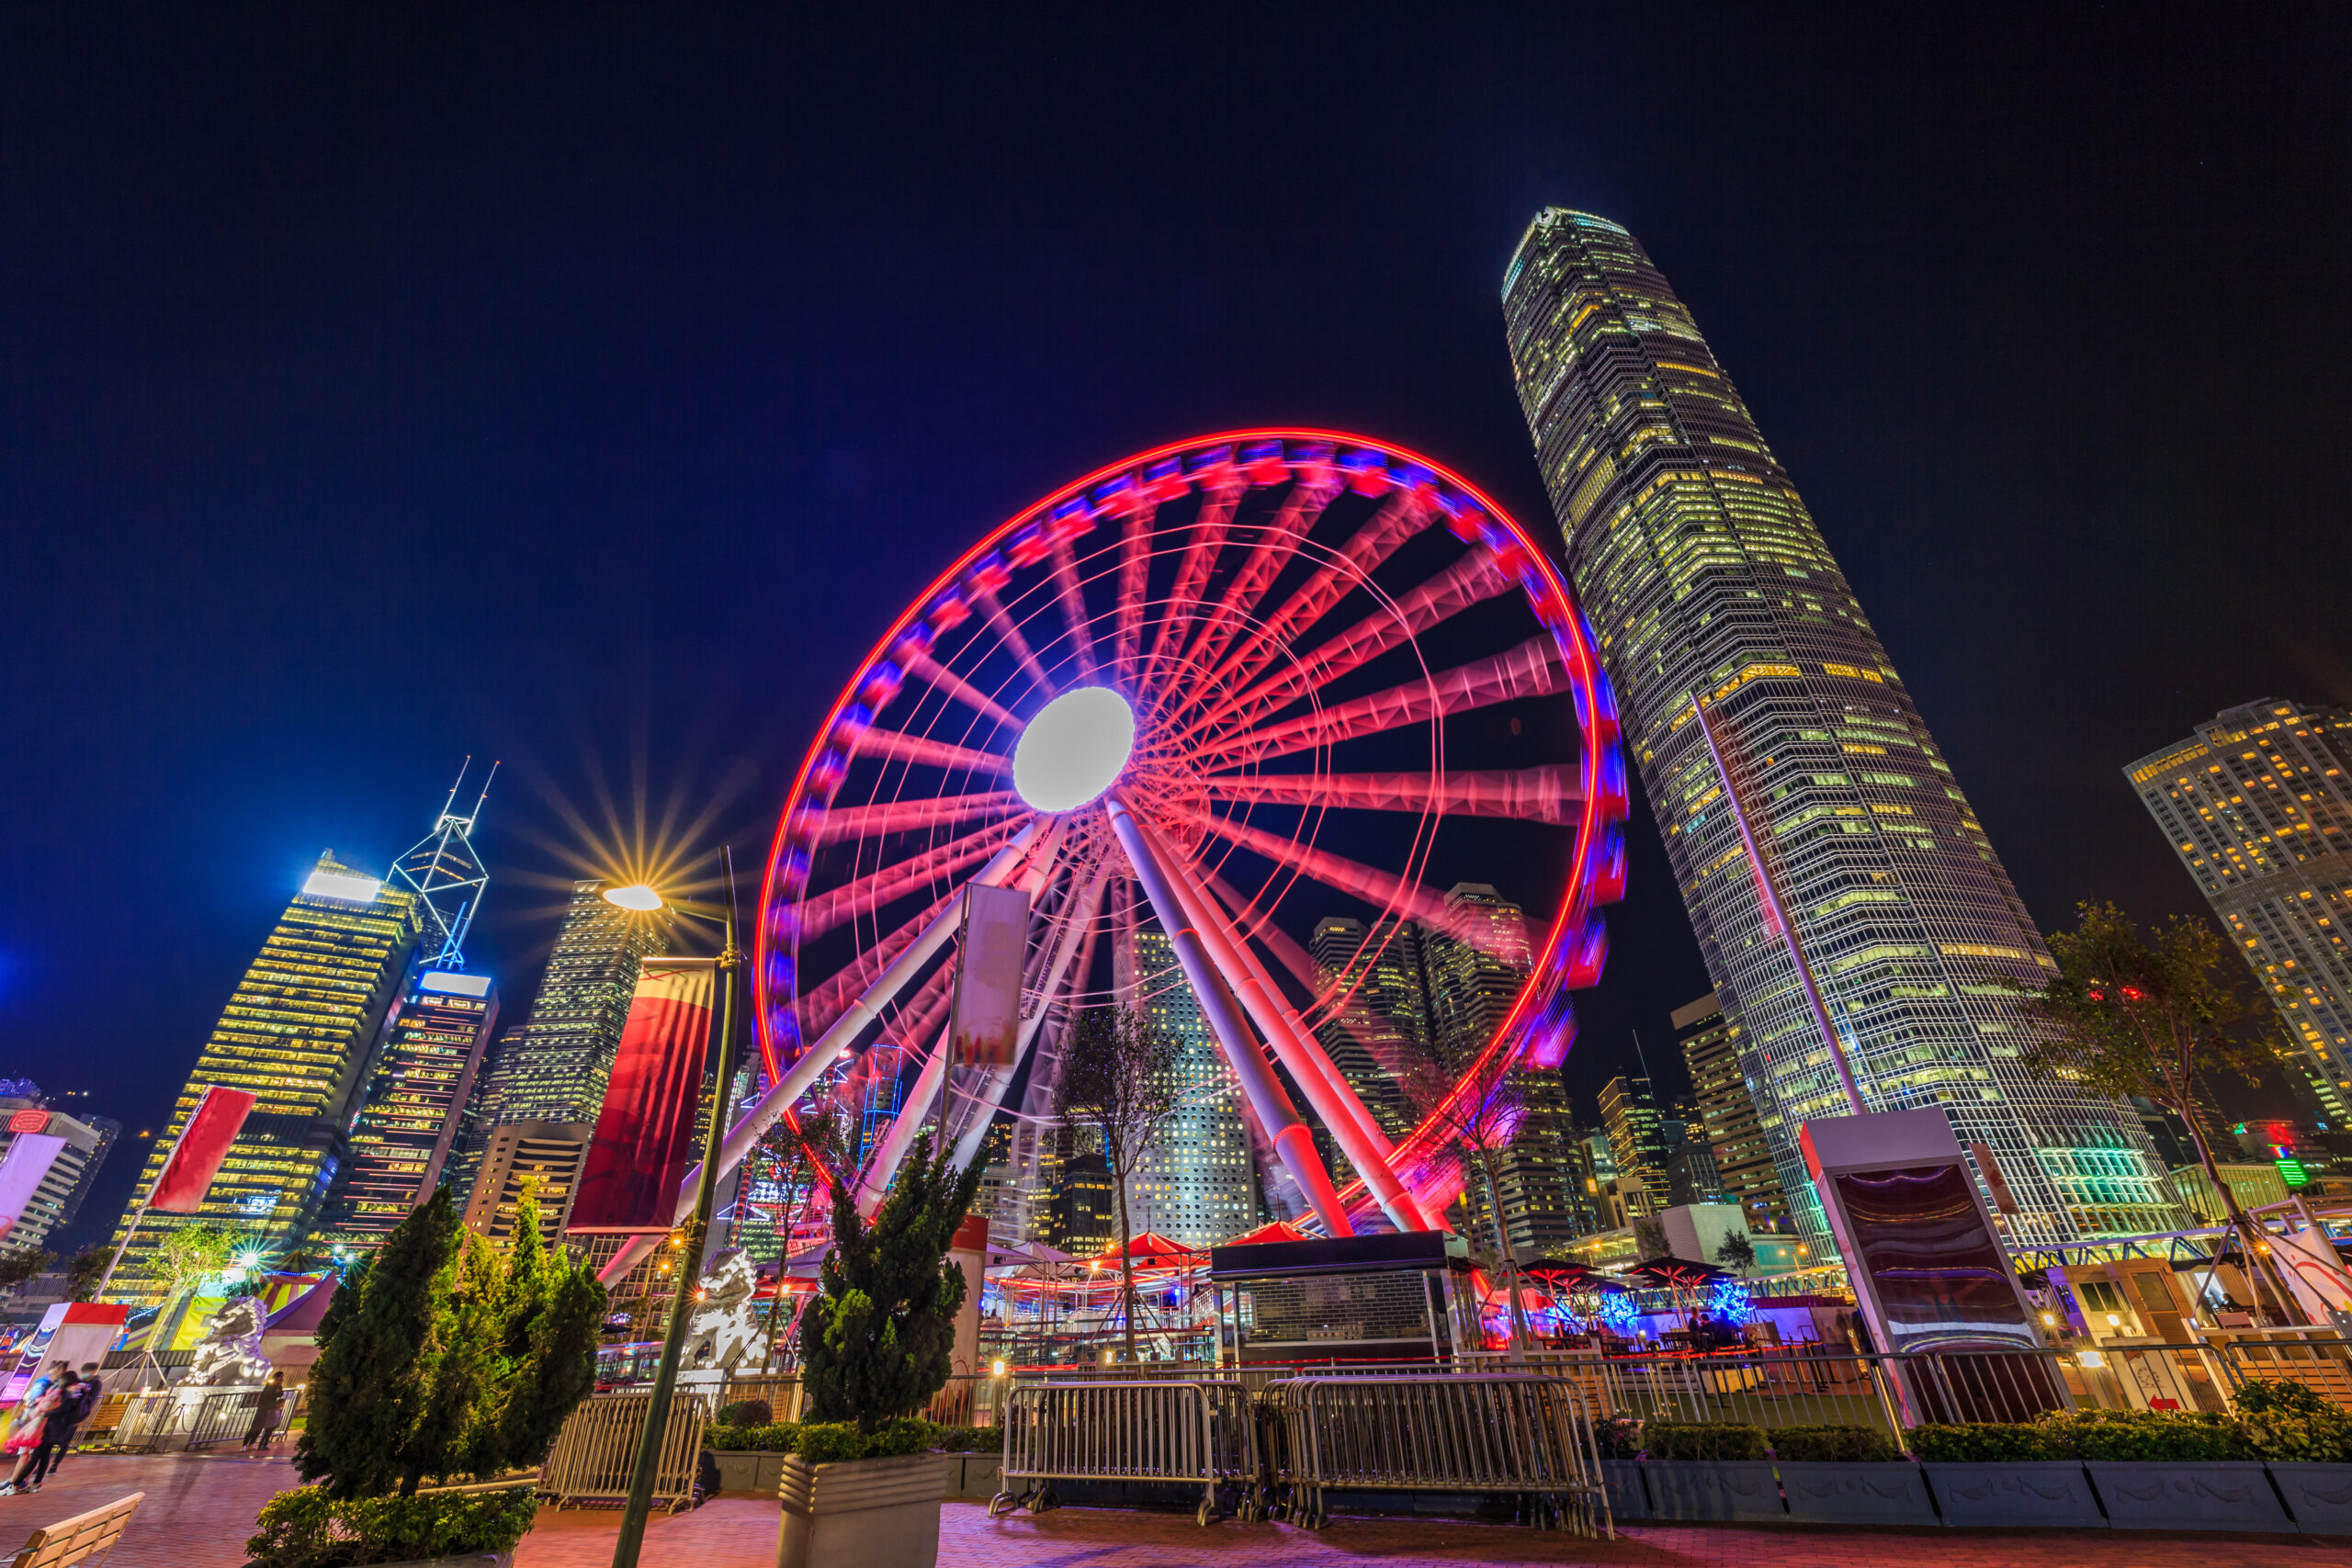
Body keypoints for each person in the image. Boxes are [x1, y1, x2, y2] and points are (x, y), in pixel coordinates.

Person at [0, 1370, 78, 1495]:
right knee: (41, 1457)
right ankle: (33, 1484)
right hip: (50, 1430)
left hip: (48, 1429)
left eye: (60, 1378)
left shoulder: (65, 1393)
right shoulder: (68, 1393)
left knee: (34, 1457)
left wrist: (44, 1412)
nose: (57, 1380)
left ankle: (15, 1484)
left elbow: (62, 1410)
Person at [241, 1371, 286, 1452]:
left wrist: (278, 1389)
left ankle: (252, 1443)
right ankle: (244, 1444)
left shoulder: (279, 1386)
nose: (282, 1379)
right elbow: (270, 1394)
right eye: (281, 1377)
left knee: (261, 1427)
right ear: (277, 1377)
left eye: (283, 1377)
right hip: (263, 1408)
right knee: (255, 1427)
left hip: (270, 1410)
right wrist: (276, 1391)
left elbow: (280, 1394)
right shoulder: (270, 1384)